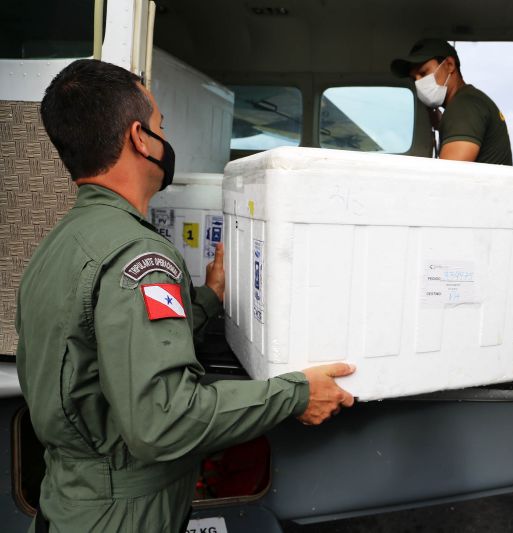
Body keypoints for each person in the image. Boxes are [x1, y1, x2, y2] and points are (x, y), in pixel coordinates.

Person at [16, 59, 356, 532]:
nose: (163, 138)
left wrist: (210, 296)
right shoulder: (140, 255)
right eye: (160, 126)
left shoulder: (62, 243)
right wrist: (296, 394)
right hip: (123, 517)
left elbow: (110, 349)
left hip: (70, 502)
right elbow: (163, 421)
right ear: (139, 138)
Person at [391, 38, 513, 165]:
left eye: (423, 73)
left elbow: (449, 178)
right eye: (414, 79)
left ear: (449, 65)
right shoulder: (469, 102)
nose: (419, 83)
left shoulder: (463, 107)